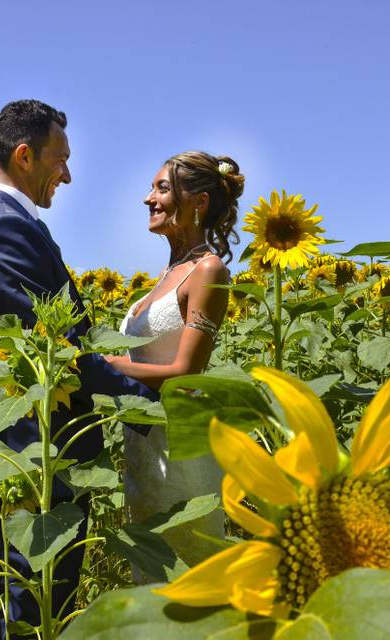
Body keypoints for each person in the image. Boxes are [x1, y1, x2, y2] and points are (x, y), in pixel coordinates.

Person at [0, 99, 158, 636]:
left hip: (45, 443)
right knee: (31, 600)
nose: (67, 174)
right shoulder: (3, 228)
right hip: (34, 447)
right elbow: (60, 345)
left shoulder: (13, 223)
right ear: (25, 156)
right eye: (60, 159)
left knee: (51, 596)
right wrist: (146, 409)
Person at [104, 151, 244, 572]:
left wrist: (102, 366)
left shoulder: (208, 271)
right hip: (145, 450)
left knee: (189, 574)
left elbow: (186, 372)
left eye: (162, 188)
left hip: (179, 453)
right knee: (151, 576)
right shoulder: (166, 274)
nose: (149, 199)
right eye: (152, 188)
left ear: (199, 202)